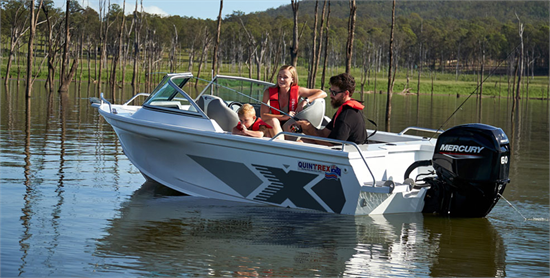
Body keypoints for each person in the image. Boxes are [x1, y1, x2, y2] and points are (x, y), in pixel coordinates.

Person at [293, 73, 367, 146]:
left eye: (334, 93)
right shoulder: (343, 110)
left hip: (350, 154)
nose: (331, 95)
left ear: (345, 94)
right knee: (302, 141)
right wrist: (305, 127)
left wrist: (310, 129)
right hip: (341, 150)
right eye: (330, 91)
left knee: (301, 142)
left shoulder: (346, 116)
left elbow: (334, 145)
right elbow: (324, 134)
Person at [260, 65, 327, 135]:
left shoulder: (298, 91)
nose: (281, 79)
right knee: (274, 121)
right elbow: (263, 115)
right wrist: (284, 117)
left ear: (292, 79)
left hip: (290, 125)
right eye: (279, 76)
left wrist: (305, 101)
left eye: (285, 77)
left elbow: (323, 93)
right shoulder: (268, 92)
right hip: (274, 124)